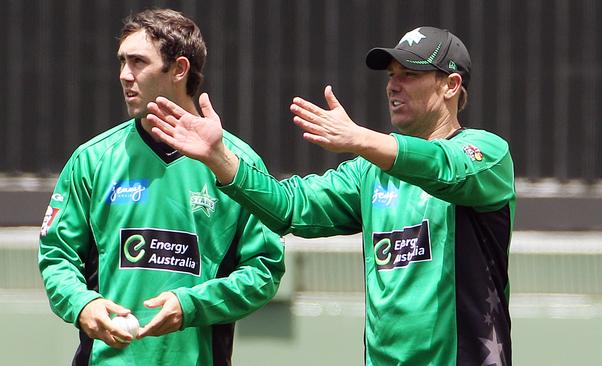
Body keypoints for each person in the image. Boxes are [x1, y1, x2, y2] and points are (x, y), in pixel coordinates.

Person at [146, 26, 515, 365]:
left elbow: (442, 167)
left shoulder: (487, 154)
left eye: (410, 75)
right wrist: (222, 160)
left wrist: (359, 138)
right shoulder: (368, 172)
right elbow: (289, 208)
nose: (393, 86)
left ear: (451, 85)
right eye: (391, 76)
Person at [38, 8, 284, 366]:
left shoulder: (236, 165)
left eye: (138, 62)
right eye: (121, 61)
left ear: (179, 70)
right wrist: (82, 304)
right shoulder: (92, 160)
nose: (124, 75)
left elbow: (263, 270)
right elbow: (57, 255)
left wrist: (191, 305)